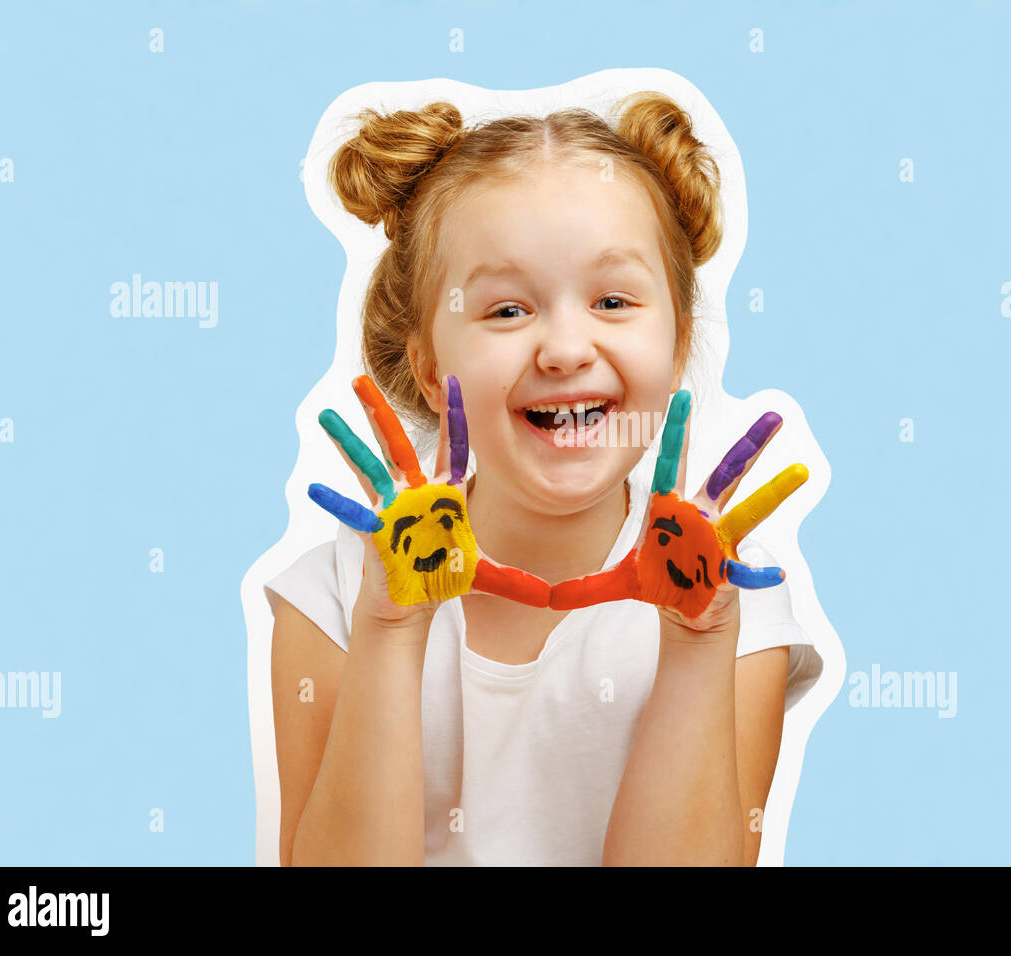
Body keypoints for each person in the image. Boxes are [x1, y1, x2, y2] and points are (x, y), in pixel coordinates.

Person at [264, 91, 823, 866]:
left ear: (678, 341)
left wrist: (698, 644)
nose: (565, 348)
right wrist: (390, 630)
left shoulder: (733, 600)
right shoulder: (330, 596)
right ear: (429, 370)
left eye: (613, 300)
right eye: (506, 310)